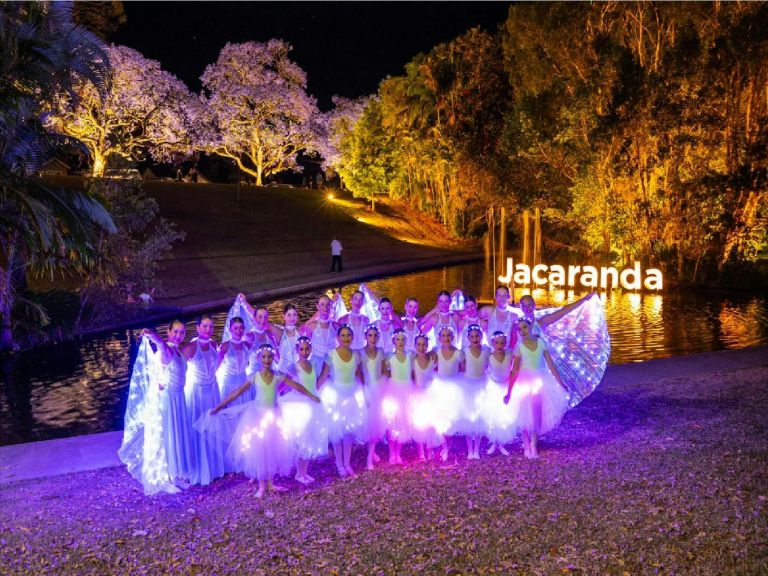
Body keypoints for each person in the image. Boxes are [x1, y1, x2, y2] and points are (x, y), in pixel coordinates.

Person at [209, 344, 321, 498]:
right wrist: (219, 406)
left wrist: (312, 396)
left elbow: (296, 386)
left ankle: (270, 483)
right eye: (264, 357)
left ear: (273, 358)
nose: (267, 359)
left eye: (270, 356)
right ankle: (262, 485)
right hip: (258, 417)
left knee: (272, 450)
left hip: (274, 416)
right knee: (261, 451)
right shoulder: (254, 377)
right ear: (259, 359)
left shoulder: (278, 376)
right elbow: (237, 392)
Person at [118, 320, 196, 494]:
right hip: (168, 400)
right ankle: (167, 478)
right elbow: (160, 345)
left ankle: (176, 474)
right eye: (175, 332)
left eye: (182, 332)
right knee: (168, 436)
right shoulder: (167, 349)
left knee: (177, 434)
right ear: (168, 332)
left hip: (178, 398)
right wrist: (152, 335)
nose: (179, 336)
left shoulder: (178, 351)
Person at [503, 319, 570, 459]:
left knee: (536, 414)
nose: (523, 331)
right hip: (524, 381)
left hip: (540, 380)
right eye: (519, 329)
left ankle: (534, 444)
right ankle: (526, 444)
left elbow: (551, 364)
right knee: (523, 413)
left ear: (531, 327)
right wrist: (509, 391)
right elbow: (514, 370)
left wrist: (561, 382)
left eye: (525, 327)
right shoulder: (519, 346)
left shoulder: (540, 342)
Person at [317, 325, 366, 478]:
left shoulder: (356, 355)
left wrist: (365, 392)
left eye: (348, 335)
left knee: (349, 432)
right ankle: (339, 464)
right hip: (336, 394)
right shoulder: (331, 354)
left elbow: (359, 374)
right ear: (338, 338)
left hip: (351, 394)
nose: (346, 338)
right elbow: (324, 375)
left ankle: (347, 463)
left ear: (352, 337)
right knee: (337, 432)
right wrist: (315, 393)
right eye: (343, 335)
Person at [182, 315, 226, 486]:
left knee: (213, 427)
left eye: (211, 327)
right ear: (198, 327)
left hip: (213, 390)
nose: (208, 330)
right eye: (205, 326)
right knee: (199, 428)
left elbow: (217, 363)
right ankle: (199, 468)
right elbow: (177, 365)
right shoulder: (191, 347)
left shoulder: (214, 344)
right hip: (198, 392)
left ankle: (214, 467)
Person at [283, 336, 329, 485]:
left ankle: (305, 471)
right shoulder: (293, 367)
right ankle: (298, 473)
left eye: (307, 348)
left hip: (313, 402)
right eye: (301, 349)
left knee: (311, 438)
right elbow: (285, 383)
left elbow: (315, 383)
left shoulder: (313, 364)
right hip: (301, 405)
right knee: (302, 440)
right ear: (297, 350)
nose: (304, 352)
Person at [359, 324, 387, 470]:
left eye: (375, 335)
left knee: (376, 423)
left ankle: (370, 457)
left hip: (378, 388)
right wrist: (363, 390)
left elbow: (383, 371)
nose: (373, 338)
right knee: (367, 424)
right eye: (370, 335)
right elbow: (359, 373)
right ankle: (371, 452)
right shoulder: (360, 353)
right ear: (365, 337)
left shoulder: (381, 351)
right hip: (366, 389)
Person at [383, 329, 414, 465]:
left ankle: (398, 453)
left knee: (402, 423)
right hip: (394, 390)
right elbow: (384, 372)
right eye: (398, 339)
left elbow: (412, 373)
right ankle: (391, 453)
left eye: (403, 339)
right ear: (393, 341)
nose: (400, 342)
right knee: (392, 423)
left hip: (406, 391)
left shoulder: (410, 356)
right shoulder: (390, 357)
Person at [482, 331, 514, 456]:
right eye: (497, 342)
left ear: (505, 343)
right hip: (493, 388)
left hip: (505, 388)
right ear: (492, 343)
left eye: (502, 342)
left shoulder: (510, 354)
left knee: (503, 417)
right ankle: (494, 443)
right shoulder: (488, 356)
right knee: (494, 417)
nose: (500, 345)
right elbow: (484, 369)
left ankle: (501, 443)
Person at [460, 324, 489, 460]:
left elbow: (489, 365)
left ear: (481, 337)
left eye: (477, 336)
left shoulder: (486, 350)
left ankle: (476, 449)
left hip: (481, 385)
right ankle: (469, 449)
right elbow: (462, 367)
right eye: (472, 337)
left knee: (479, 418)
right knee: (468, 419)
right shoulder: (464, 351)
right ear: (468, 338)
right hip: (468, 385)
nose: (475, 338)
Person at [300, 294, 339, 362]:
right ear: (318, 306)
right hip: (316, 362)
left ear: (331, 306)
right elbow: (307, 346)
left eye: (328, 304)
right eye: (322, 304)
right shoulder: (311, 326)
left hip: (333, 362)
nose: (325, 307)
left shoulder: (335, 326)